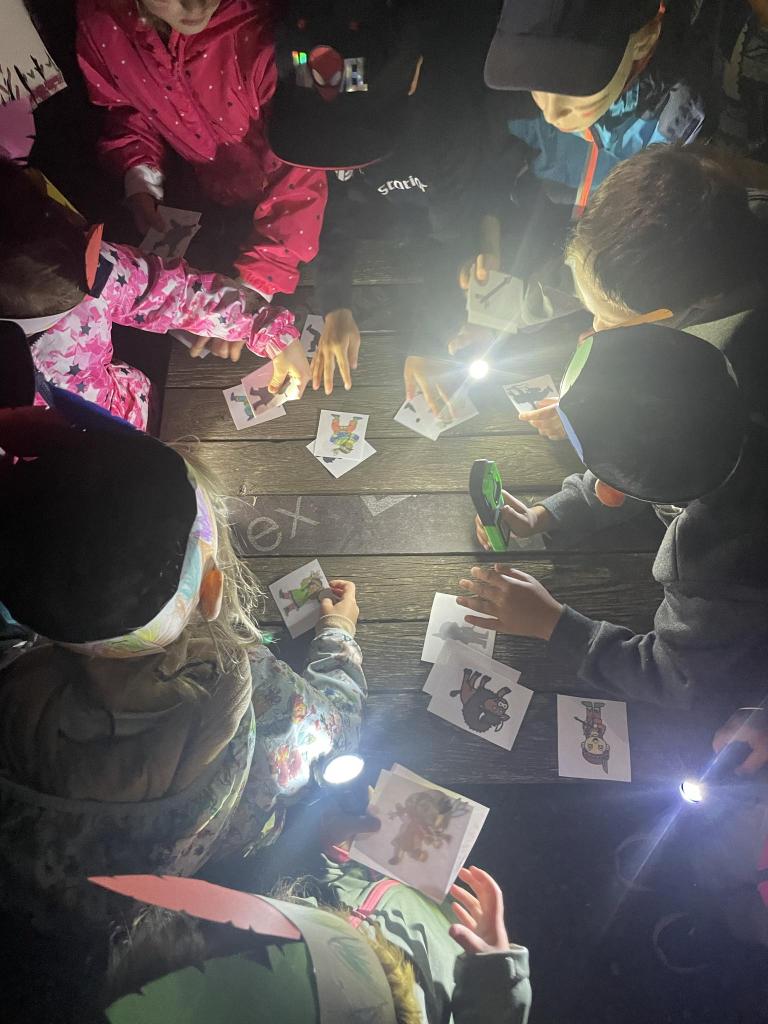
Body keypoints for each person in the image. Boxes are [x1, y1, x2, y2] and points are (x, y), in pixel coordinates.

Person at [0, 406, 366, 927]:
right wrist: (338, 636)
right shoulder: (252, 691)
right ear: (211, 593)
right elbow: (339, 730)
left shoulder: (12, 690)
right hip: (232, 870)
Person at [460, 324, 768, 708]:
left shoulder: (711, 564)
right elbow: (645, 462)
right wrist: (545, 514)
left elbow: (676, 676)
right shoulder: (728, 406)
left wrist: (553, 623)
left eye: (605, 476)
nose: (602, 488)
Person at [266, 0, 509, 402]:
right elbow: (331, 210)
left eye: (357, 131)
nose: (338, 158)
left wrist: (430, 337)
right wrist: (335, 303)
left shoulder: (447, 127)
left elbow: (455, 242)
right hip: (398, 226)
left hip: (443, 223)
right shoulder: (312, 110)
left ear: (414, 75)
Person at [0, 157, 310, 430]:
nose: (91, 287)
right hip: (79, 468)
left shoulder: (81, 261)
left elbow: (172, 292)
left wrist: (267, 329)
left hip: (138, 410)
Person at [76, 0, 327, 298]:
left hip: (306, 215)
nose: (195, 7)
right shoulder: (102, 23)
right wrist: (139, 175)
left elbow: (303, 162)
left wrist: (261, 280)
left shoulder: (269, 36)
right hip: (213, 201)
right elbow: (124, 106)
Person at [522, 143, 768, 439]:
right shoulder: (719, 218)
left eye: (614, 321)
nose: (596, 328)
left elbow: (690, 428)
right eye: (593, 311)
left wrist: (600, 419)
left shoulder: (735, 362)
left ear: (704, 301)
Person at [95, 861, 532, 1023]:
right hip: (448, 947)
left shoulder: (253, 954)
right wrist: (497, 972)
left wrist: (334, 862)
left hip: (385, 882)